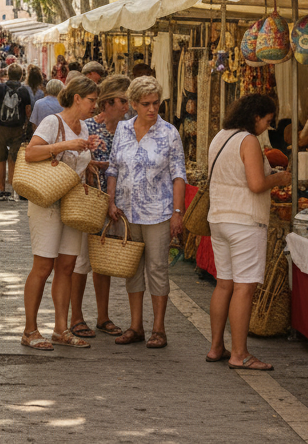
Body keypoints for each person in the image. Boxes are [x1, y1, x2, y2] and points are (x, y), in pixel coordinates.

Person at [205, 93, 292, 371]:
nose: (268, 126)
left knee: (224, 284)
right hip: (244, 221)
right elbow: (256, 184)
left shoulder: (221, 136)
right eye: (267, 121)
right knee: (244, 288)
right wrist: (278, 178)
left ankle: (216, 346)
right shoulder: (249, 140)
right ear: (256, 116)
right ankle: (239, 354)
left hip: (219, 218)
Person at [20, 75, 101, 350]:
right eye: (92, 100)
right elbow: (31, 153)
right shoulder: (53, 121)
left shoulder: (83, 126)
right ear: (77, 98)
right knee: (43, 267)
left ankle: (60, 329)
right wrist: (65, 146)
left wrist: (88, 159)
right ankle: (30, 329)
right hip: (47, 202)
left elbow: (75, 162)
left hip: (72, 202)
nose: (95, 106)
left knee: (66, 266)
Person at [106, 76, 186, 350]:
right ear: (133, 104)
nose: (152, 109)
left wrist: (178, 212)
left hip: (158, 212)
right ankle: (136, 325)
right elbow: (113, 168)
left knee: (157, 269)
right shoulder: (123, 130)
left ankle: (159, 328)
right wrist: (110, 201)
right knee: (132, 270)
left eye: (156, 103)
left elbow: (178, 175)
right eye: (146, 104)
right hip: (127, 213)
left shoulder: (169, 133)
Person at [68, 75, 130, 339]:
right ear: (109, 102)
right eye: (123, 100)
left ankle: (103, 317)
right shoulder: (87, 126)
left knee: (103, 260)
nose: (128, 106)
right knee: (81, 260)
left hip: (116, 202)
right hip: (89, 200)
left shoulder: (129, 129)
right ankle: (76, 317)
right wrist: (96, 164)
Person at [0, 63, 33, 201]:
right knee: (13, 159)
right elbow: (28, 111)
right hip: (18, 129)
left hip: (1, 128)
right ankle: (14, 190)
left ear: (8, 74)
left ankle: (2, 190)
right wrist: (28, 125)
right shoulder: (24, 90)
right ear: (21, 76)